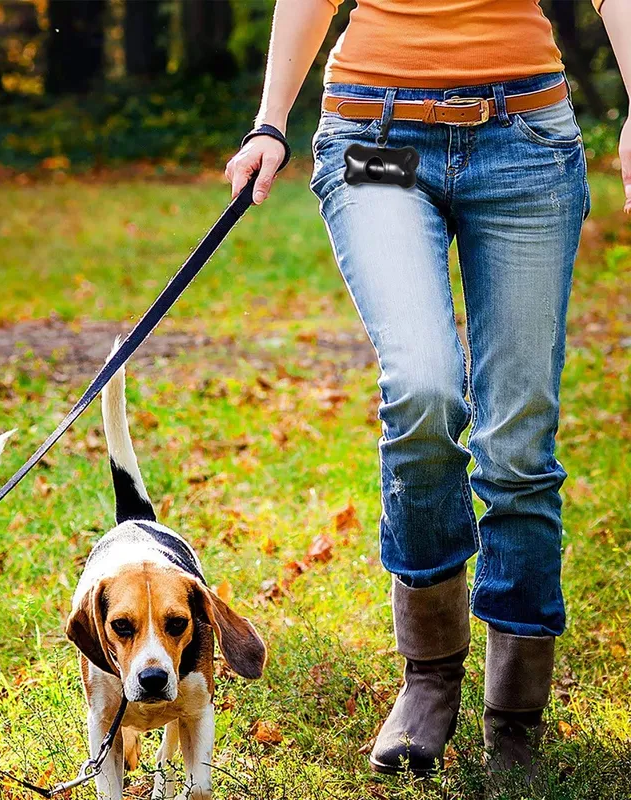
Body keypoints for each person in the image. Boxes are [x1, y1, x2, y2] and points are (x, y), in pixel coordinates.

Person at [225, 0, 631, 782]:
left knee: (517, 438)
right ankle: (429, 678)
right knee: (422, 388)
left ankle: (515, 711)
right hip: (380, 140)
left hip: (524, 143)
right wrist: (269, 122)